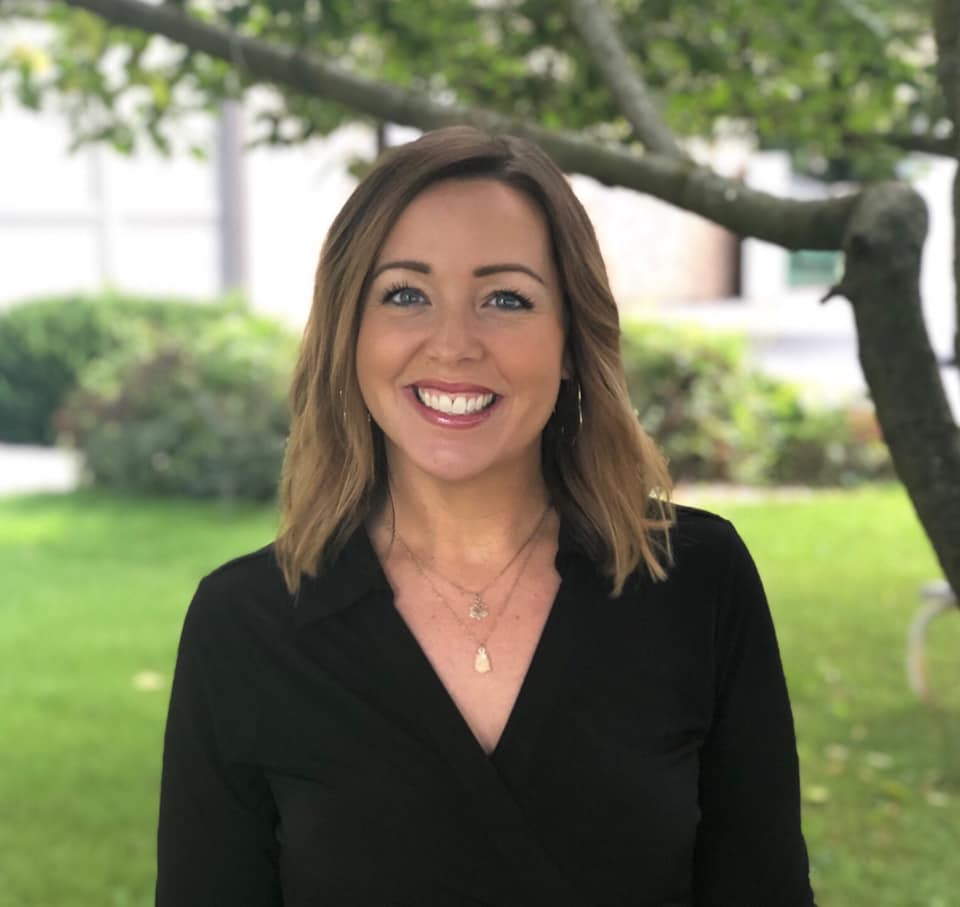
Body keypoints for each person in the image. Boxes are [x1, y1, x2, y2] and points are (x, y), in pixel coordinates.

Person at [156, 125, 817, 906]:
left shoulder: (696, 578)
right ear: (348, 331)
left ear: (571, 337)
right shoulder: (245, 624)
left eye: (506, 298)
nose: (454, 344)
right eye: (405, 294)